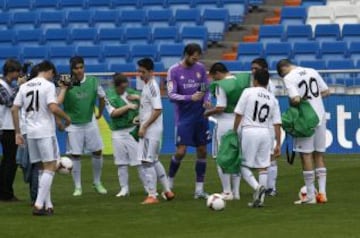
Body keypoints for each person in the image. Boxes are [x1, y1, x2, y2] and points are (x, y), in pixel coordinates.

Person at [12, 60, 71, 215]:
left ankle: (48, 204)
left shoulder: (24, 86)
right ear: (49, 71)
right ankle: (39, 205)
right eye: (53, 74)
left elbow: (14, 109)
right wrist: (66, 118)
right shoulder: (48, 85)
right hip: (45, 131)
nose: (53, 78)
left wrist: (18, 132)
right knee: (51, 167)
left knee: (41, 168)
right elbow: (53, 107)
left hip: (30, 133)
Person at [276, 59, 330, 205]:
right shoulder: (312, 70)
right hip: (320, 116)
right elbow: (326, 91)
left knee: (306, 156)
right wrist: (313, 99)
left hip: (305, 120)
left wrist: (298, 101)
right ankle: (323, 194)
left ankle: (311, 196)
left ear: (283, 70)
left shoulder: (289, 78)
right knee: (319, 155)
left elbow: (295, 99)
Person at [57, 56, 107, 196]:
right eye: (76, 68)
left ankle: (97, 182)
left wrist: (100, 113)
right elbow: (55, 103)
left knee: (97, 151)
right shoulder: (65, 82)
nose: (79, 70)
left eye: (81, 67)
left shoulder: (93, 81)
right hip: (73, 125)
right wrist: (59, 121)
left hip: (90, 122)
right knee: (76, 155)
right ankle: (78, 187)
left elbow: (102, 97)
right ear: (71, 69)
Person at [167, 43, 211, 199]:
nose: (196, 59)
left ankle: (199, 190)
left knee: (203, 151)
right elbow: (171, 95)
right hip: (184, 118)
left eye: (198, 56)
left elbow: (206, 88)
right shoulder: (174, 71)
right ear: (186, 54)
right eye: (193, 56)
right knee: (181, 151)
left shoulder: (200, 69)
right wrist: (189, 97)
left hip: (200, 116)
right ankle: (169, 184)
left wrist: (206, 100)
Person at [233, 69, 282, 208]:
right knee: (263, 166)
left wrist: (234, 130)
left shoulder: (248, 92)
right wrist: (278, 143)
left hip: (250, 130)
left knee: (242, 165)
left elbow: (238, 113)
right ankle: (260, 200)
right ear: (267, 82)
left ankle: (257, 187)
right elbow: (277, 123)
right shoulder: (273, 98)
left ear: (255, 80)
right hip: (266, 133)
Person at [137, 58, 175, 205]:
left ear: (151, 72)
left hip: (150, 130)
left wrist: (144, 126)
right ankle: (167, 190)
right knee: (154, 160)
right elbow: (149, 108)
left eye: (143, 72)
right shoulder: (147, 85)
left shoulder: (152, 86)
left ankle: (152, 195)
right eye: (139, 71)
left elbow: (158, 109)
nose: (140, 74)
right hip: (151, 128)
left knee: (146, 162)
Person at [205, 62, 245, 200]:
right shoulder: (240, 81)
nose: (214, 80)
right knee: (235, 157)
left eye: (214, 77)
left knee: (221, 158)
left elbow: (220, 107)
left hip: (224, 122)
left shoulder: (221, 85)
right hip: (239, 122)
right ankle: (236, 192)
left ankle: (227, 192)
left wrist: (207, 112)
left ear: (217, 73)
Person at [105, 73, 147, 197]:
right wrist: (128, 106)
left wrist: (138, 98)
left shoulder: (132, 92)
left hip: (132, 131)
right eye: (122, 88)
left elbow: (146, 102)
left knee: (139, 162)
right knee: (121, 163)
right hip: (117, 133)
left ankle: (148, 187)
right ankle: (124, 189)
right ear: (116, 86)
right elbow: (113, 113)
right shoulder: (109, 95)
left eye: (125, 86)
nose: (124, 90)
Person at [251, 58, 278, 196]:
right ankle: (266, 187)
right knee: (264, 158)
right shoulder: (257, 84)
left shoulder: (267, 85)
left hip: (267, 125)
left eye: (255, 68)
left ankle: (271, 188)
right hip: (262, 125)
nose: (253, 71)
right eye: (252, 69)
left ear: (264, 70)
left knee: (269, 157)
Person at [16, 65, 41, 205]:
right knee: (35, 166)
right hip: (36, 130)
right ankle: (37, 196)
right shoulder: (43, 87)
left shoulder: (23, 88)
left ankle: (36, 196)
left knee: (31, 166)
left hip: (26, 130)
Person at [0, 59, 23, 201]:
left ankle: (4, 191)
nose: (19, 75)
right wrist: (20, 87)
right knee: (10, 161)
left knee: (7, 161)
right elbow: (9, 102)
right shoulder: (1, 85)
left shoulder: (8, 85)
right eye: (17, 72)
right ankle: (6, 193)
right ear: (11, 72)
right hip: (5, 127)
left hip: (8, 126)